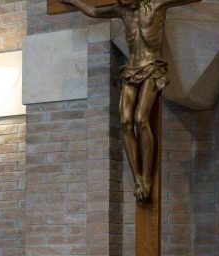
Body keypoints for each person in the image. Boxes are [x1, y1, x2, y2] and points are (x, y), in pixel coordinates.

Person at [60, 0, 200, 202]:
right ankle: (138, 179)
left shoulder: (157, 6)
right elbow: (93, 11)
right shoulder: (122, 11)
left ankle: (147, 177)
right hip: (130, 70)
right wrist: (72, 0)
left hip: (152, 67)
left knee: (141, 119)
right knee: (125, 122)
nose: (122, 1)